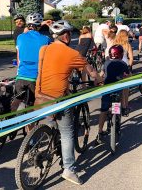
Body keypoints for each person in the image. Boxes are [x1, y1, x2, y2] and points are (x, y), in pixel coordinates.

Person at [35, 20, 102, 185]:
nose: (71, 37)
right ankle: (69, 169)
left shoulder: (43, 49)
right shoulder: (71, 54)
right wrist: (100, 79)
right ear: (65, 36)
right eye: (70, 34)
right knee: (67, 132)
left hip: (40, 96)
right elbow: (91, 72)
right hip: (58, 99)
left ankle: (47, 140)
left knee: (52, 122)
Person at [12, 13, 51, 113]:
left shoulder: (20, 37)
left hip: (21, 76)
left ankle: (10, 121)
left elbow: (18, 56)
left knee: (17, 99)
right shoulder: (46, 39)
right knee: (36, 103)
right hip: (35, 78)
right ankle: (33, 127)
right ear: (39, 26)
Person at [97, 45, 129, 143]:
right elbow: (128, 75)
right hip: (117, 89)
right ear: (121, 54)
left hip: (107, 89)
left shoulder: (106, 62)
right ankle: (124, 107)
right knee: (124, 89)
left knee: (104, 110)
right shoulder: (123, 64)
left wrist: (98, 80)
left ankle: (99, 132)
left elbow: (101, 74)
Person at [113, 30, 133, 115]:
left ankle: (115, 110)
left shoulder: (114, 44)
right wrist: (129, 67)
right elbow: (131, 58)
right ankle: (125, 107)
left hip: (115, 66)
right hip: (124, 67)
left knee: (116, 89)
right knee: (125, 89)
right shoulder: (127, 45)